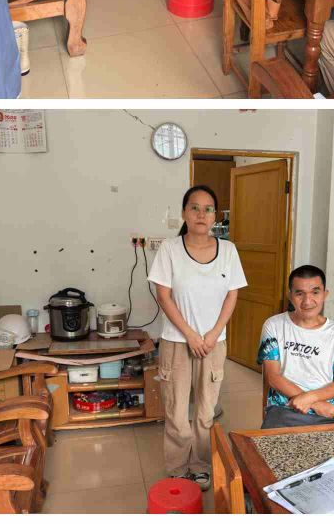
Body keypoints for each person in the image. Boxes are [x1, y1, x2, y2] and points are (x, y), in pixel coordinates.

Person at [147, 185, 247, 490]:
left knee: (205, 411)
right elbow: (164, 296)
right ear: (184, 213)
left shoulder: (228, 251)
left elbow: (232, 295)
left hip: (213, 343)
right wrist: (190, 334)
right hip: (177, 342)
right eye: (194, 207)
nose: (201, 214)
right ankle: (179, 466)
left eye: (208, 209)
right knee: (177, 410)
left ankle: (202, 464)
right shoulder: (169, 249)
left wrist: (213, 334)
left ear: (215, 216)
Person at [257, 265, 334, 429]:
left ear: (325, 294)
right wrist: (315, 404)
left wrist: (310, 399)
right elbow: (272, 376)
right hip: (283, 408)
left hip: (326, 413)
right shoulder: (274, 325)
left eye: (315, 292)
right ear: (290, 296)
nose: (307, 301)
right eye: (299, 293)